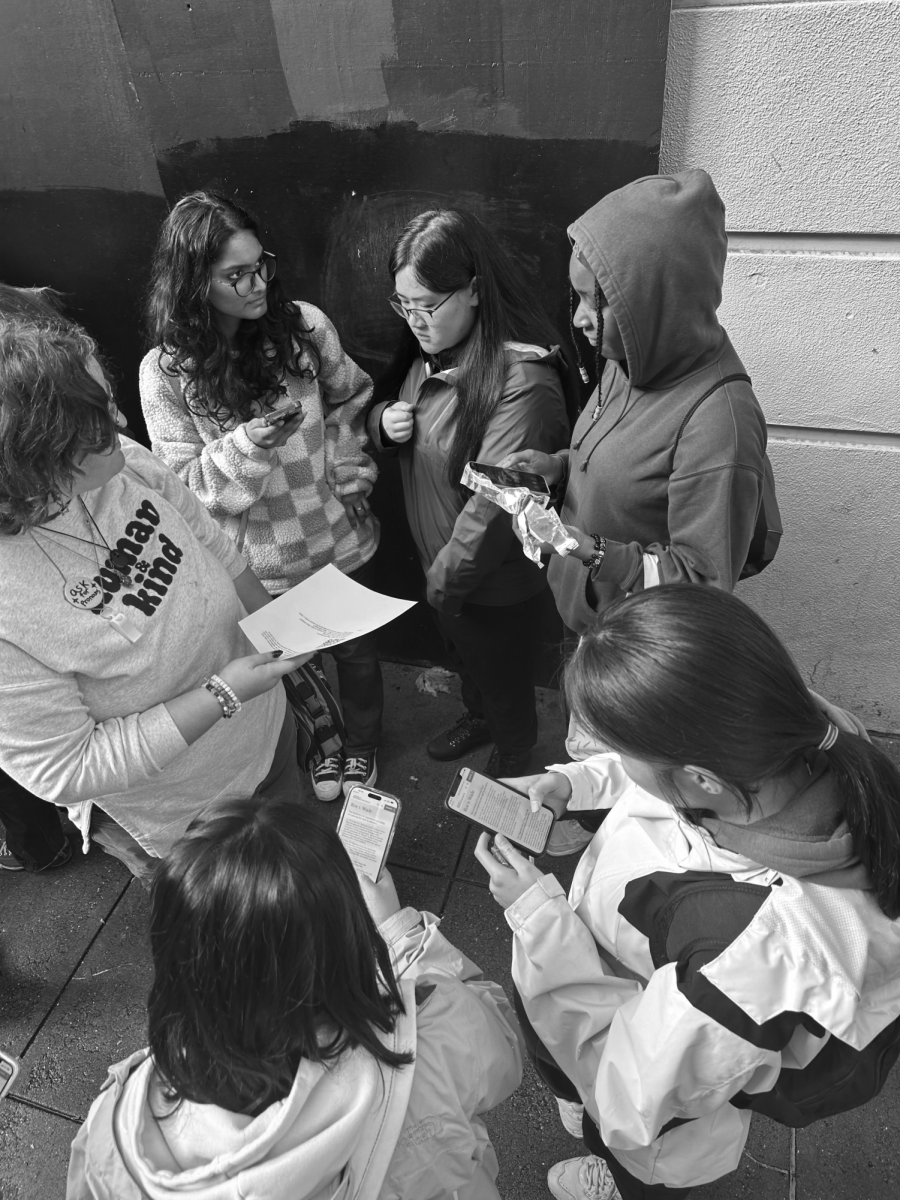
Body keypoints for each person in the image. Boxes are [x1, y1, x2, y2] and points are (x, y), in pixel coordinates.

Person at [475, 584, 900, 1200]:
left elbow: (629, 1094)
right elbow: (660, 768)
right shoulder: (788, 734)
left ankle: (620, 1182)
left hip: (667, 1115)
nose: (614, 758)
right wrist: (572, 783)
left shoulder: (751, 952)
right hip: (656, 1003)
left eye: (619, 746)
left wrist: (537, 917)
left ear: (700, 779)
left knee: (635, 1151)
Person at [67, 798, 523, 1200]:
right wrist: (399, 932)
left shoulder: (116, 1125)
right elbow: (501, 1050)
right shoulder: (428, 1034)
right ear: (345, 931)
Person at [503, 169, 768, 854]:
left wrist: (593, 553)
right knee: (586, 777)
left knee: (626, 814)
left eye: (601, 302)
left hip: (641, 669)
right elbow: (623, 460)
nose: (581, 319)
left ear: (659, 300)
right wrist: (561, 466)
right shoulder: (632, 358)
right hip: (594, 632)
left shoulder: (720, 420)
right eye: (579, 295)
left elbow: (706, 589)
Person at [0, 314, 306, 883]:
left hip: (265, 730)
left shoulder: (123, 462)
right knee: (247, 936)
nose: (118, 420)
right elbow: (66, 767)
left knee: (305, 880)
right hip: (186, 813)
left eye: (107, 401)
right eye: (94, 420)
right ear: (36, 456)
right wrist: (224, 693)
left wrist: (281, 626)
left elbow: (213, 545)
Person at [141, 191, 382, 801]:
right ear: (194, 285)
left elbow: (352, 398)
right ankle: (325, 749)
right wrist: (249, 443)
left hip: (336, 535)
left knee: (356, 656)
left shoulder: (303, 324)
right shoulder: (165, 373)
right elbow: (187, 488)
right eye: (236, 276)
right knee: (292, 670)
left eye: (261, 266)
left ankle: (364, 747)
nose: (257, 286)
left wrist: (351, 461)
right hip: (257, 566)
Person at [368, 208, 570, 777]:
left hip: (487, 579)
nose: (415, 321)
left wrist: (443, 584)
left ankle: (515, 754)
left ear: (475, 290)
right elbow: (389, 413)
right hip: (446, 569)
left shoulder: (522, 382)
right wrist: (381, 423)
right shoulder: (432, 354)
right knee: (472, 666)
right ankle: (480, 718)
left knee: (503, 677)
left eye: (428, 305)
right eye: (403, 305)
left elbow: (497, 502)